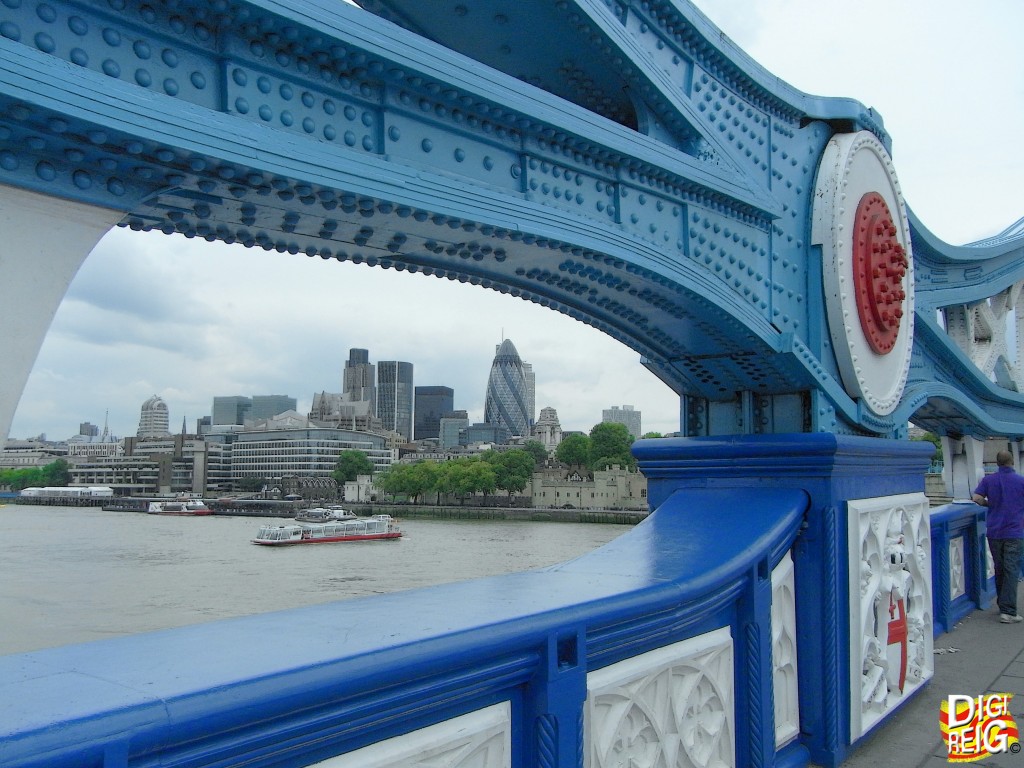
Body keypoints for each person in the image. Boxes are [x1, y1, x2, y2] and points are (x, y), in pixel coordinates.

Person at [973, 450, 1024, 623]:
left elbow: (977, 498)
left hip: (994, 531)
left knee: (1000, 568)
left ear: (998, 463)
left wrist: (990, 504)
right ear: (1012, 462)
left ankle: (1002, 604)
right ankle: (1008, 611)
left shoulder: (988, 480)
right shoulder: (1021, 481)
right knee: (1011, 570)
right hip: (1014, 531)